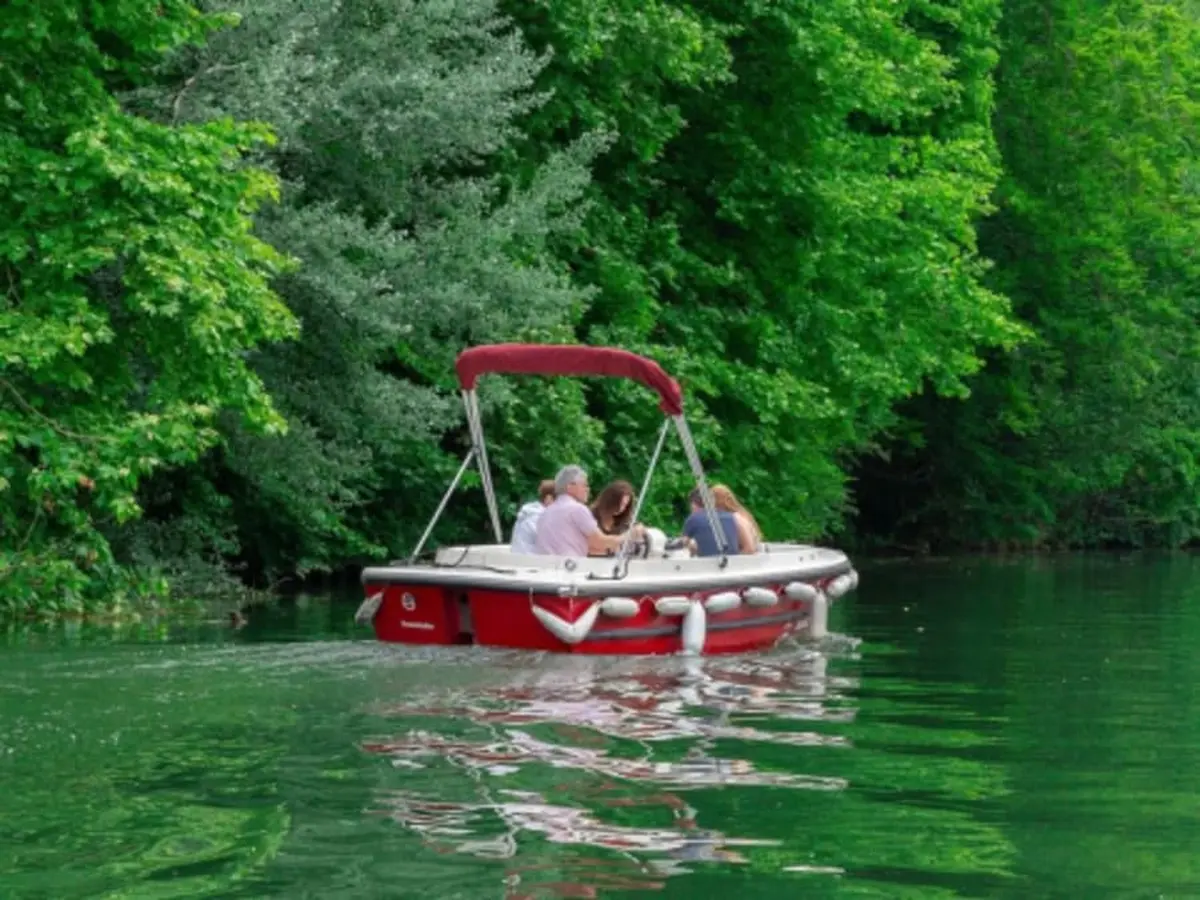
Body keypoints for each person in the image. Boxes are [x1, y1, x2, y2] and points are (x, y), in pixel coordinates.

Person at [534, 465, 644, 557]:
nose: (588, 489)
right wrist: (630, 535)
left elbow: (589, 547)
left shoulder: (545, 513)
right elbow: (600, 542)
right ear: (570, 487)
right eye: (584, 485)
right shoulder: (577, 510)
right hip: (569, 570)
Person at [681, 487, 741, 558]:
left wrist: (691, 547)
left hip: (708, 562)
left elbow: (683, 544)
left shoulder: (693, 519)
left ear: (693, 504)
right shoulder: (730, 517)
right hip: (733, 561)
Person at [712, 484, 764, 554]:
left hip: (751, 558)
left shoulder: (737, 518)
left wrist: (733, 558)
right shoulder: (737, 515)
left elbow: (749, 548)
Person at [510, 479, 556, 554]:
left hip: (517, 559)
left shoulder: (530, 513)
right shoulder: (539, 517)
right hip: (531, 560)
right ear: (549, 499)